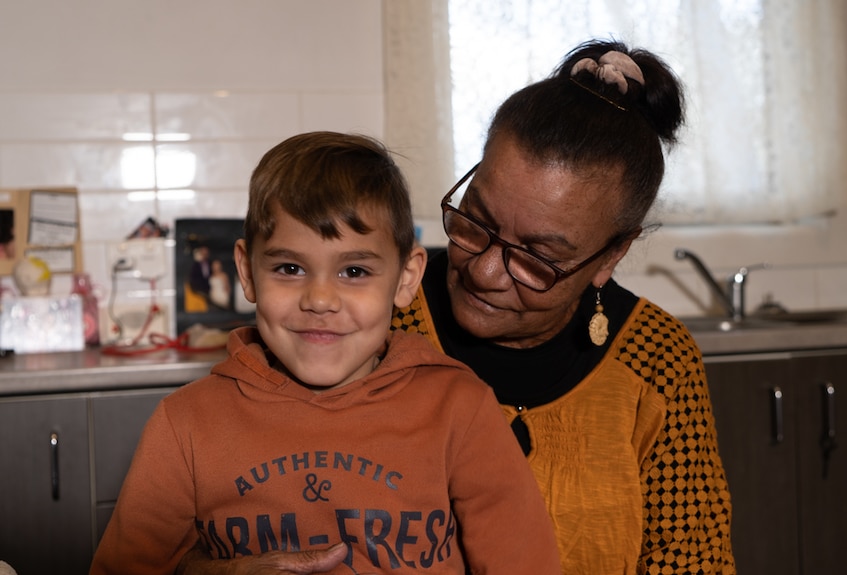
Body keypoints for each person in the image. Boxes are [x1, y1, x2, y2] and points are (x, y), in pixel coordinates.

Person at [178, 39, 736, 574]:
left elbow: (693, 562)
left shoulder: (658, 360)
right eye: (477, 220)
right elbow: (220, 511)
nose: (485, 271)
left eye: (538, 259)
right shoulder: (368, 319)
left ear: (611, 255)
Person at [89, 132, 561, 575]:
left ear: (405, 278)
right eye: (290, 267)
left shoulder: (461, 407)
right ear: (247, 273)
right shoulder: (185, 424)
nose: (319, 299)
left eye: (354, 271)